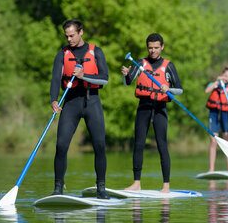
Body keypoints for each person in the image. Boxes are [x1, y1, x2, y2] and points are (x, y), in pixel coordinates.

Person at [50, 19, 110, 199]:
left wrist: (85, 76)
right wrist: (53, 100)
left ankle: (101, 188)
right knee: (61, 145)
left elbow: (104, 79)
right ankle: (58, 188)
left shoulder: (96, 52)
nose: (69, 39)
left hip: (92, 102)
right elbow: (55, 79)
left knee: (99, 145)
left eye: (72, 35)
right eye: (66, 36)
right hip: (70, 102)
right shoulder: (62, 54)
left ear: (81, 32)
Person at [121, 33, 182, 193]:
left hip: (160, 108)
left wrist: (169, 89)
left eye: (156, 47)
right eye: (150, 48)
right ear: (147, 47)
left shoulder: (169, 65)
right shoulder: (140, 63)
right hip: (144, 107)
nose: (153, 50)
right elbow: (128, 83)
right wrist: (125, 75)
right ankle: (136, 183)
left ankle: (166, 186)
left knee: (162, 146)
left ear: (162, 47)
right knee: (139, 144)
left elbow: (180, 89)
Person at [205, 66, 228, 173]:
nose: (226, 78)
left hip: (225, 114)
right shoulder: (214, 85)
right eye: (225, 76)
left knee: (227, 140)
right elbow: (207, 91)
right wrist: (216, 82)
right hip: (214, 114)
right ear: (221, 75)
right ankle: (211, 169)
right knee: (213, 140)